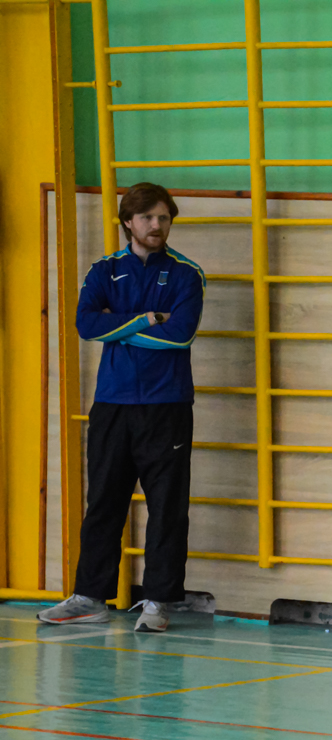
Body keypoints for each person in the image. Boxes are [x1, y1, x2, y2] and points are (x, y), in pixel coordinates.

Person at [37, 182, 204, 634]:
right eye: (147, 217)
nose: (156, 225)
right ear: (128, 222)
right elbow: (87, 325)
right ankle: (89, 597)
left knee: (167, 507)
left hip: (167, 405)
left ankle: (158, 602)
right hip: (112, 403)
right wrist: (147, 318)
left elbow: (180, 335)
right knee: (104, 502)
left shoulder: (187, 274)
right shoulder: (104, 270)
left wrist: (119, 326)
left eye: (163, 217)